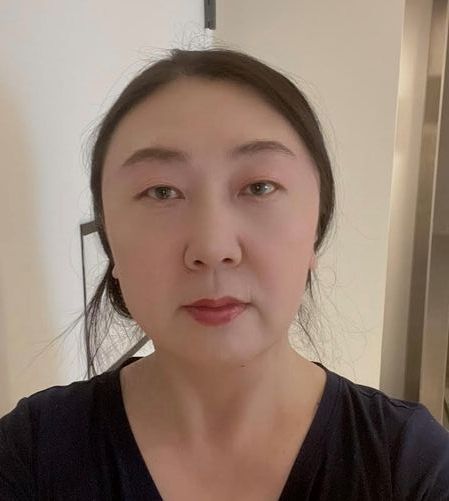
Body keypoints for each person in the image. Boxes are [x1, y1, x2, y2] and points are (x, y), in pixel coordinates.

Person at [1, 47, 448, 501]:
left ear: (316, 226)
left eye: (259, 187)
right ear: (109, 236)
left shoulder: (410, 464)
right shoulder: (31, 452)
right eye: (161, 191)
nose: (213, 249)